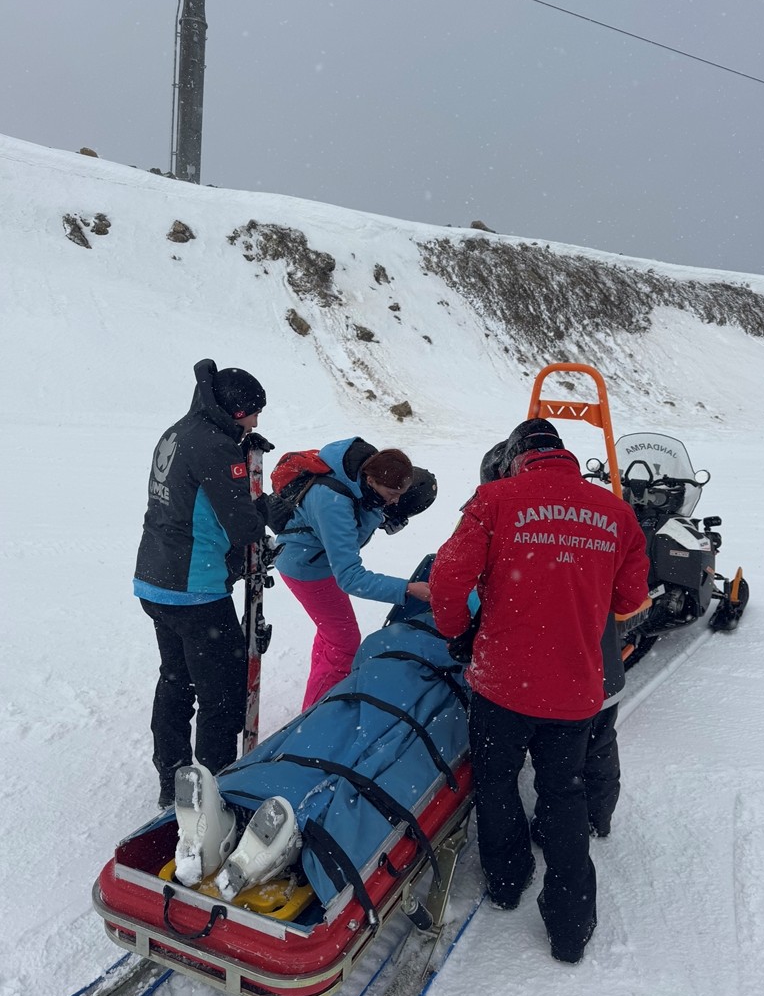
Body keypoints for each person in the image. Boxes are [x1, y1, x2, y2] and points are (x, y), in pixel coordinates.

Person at [429, 418, 649, 964]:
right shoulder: (615, 512)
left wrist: (458, 632)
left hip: (501, 686)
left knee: (497, 783)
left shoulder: (493, 501)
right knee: (564, 792)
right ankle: (571, 925)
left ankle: (507, 883)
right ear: (563, 454)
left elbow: (447, 578)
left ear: (515, 458)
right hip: (575, 690)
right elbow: (631, 599)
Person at [479, 438, 636, 845]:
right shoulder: (603, 511)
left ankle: (575, 823)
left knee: (573, 755)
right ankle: (592, 818)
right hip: (593, 661)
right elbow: (628, 596)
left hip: (562, 663)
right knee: (594, 746)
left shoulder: (506, 506)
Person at [134, 359, 273, 808]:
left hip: (155, 578)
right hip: (193, 589)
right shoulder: (214, 445)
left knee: (176, 679)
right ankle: (214, 790)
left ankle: (171, 777)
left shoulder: (179, 430)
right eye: (252, 414)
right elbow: (242, 524)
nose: (255, 423)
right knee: (223, 692)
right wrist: (267, 510)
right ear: (235, 411)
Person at [275, 439, 432, 710]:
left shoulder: (360, 476)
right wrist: (407, 589)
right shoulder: (332, 501)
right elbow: (350, 576)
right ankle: (315, 717)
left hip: (320, 561)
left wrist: (379, 512)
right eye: (392, 493)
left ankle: (317, 693)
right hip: (307, 568)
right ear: (371, 480)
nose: (395, 501)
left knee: (332, 636)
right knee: (344, 645)